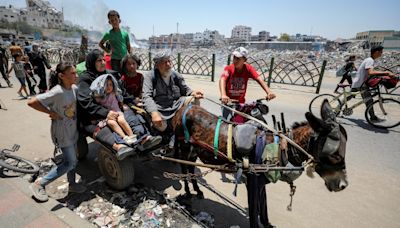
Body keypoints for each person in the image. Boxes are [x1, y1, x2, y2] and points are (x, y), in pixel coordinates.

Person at [28, 62, 86, 202]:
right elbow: (32, 102)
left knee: (72, 160)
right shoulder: (57, 91)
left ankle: (72, 185)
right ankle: (39, 184)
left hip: (72, 131)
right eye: (72, 73)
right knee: (70, 162)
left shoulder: (73, 88)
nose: (76, 75)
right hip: (62, 133)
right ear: (61, 76)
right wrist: (50, 112)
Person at [77, 49, 135, 160]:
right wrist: (105, 113)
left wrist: (133, 100)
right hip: (93, 116)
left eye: (104, 59)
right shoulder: (85, 79)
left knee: (133, 115)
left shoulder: (109, 75)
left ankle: (140, 138)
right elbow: (85, 102)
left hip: (113, 109)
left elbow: (119, 91)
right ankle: (120, 146)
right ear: (91, 62)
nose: (103, 62)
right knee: (106, 128)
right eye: (99, 60)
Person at [142, 51, 203, 146]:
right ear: (157, 65)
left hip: (175, 105)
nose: (168, 64)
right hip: (160, 108)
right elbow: (146, 96)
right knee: (160, 126)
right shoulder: (150, 76)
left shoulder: (175, 74)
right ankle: (171, 134)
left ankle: (187, 129)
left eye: (169, 61)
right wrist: (154, 113)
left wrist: (193, 92)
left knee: (194, 100)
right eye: (164, 62)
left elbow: (185, 89)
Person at [219, 47, 276, 120]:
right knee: (228, 124)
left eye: (238, 59)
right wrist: (223, 95)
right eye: (234, 57)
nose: (235, 60)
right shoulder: (229, 68)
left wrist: (269, 92)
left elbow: (259, 79)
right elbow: (222, 79)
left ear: (244, 60)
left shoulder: (248, 68)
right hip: (228, 103)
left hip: (241, 103)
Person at [351, 45, 395, 122]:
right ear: (376, 52)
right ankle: (373, 118)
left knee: (351, 97)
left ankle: (335, 111)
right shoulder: (370, 60)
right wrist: (386, 73)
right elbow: (371, 72)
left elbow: (371, 72)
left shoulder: (370, 60)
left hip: (360, 83)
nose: (381, 54)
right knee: (369, 101)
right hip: (361, 84)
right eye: (381, 52)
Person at [90, 74, 137, 145]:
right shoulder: (101, 96)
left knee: (121, 120)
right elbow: (95, 98)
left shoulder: (114, 93)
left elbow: (120, 98)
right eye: (106, 85)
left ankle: (131, 135)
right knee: (111, 123)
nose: (109, 87)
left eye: (110, 85)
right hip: (108, 116)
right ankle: (124, 137)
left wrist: (122, 104)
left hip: (117, 111)